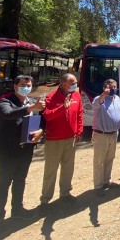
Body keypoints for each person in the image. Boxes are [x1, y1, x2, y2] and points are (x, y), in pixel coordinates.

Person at [0, 75, 45, 233]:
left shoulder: (32, 102)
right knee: (4, 183)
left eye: (29, 85)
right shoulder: (5, 102)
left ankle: (17, 209)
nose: (26, 87)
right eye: (23, 85)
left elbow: (42, 120)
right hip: (8, 150)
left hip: (26, 148)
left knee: (20, 180)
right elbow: (8, 114)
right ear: (15, 86)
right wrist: (30, 108)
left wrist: (41, 131)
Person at [40, 73, 83, 209]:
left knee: (68, 168)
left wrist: (79, 131)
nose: (75, 85)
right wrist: (62, 108)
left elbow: (79, 114)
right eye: (73, 83)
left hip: (71, 138)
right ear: (64, 84)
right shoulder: (51, 97)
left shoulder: (76, 95)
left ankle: (65, 193)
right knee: (51, 170)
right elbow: (47, 116)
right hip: (54, 140)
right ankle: (45, 200)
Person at [91, 78, 120, 195]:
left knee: (110, 158)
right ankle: (98, 186)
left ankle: (106, 181)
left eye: (115, 87)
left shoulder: (117, 99)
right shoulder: (99, 99)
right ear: (105, 87)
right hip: (101, 135)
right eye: (110, 87)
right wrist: (104, 94)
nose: (113, 89)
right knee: (99, 161)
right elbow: (96, 104)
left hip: (113, 134)